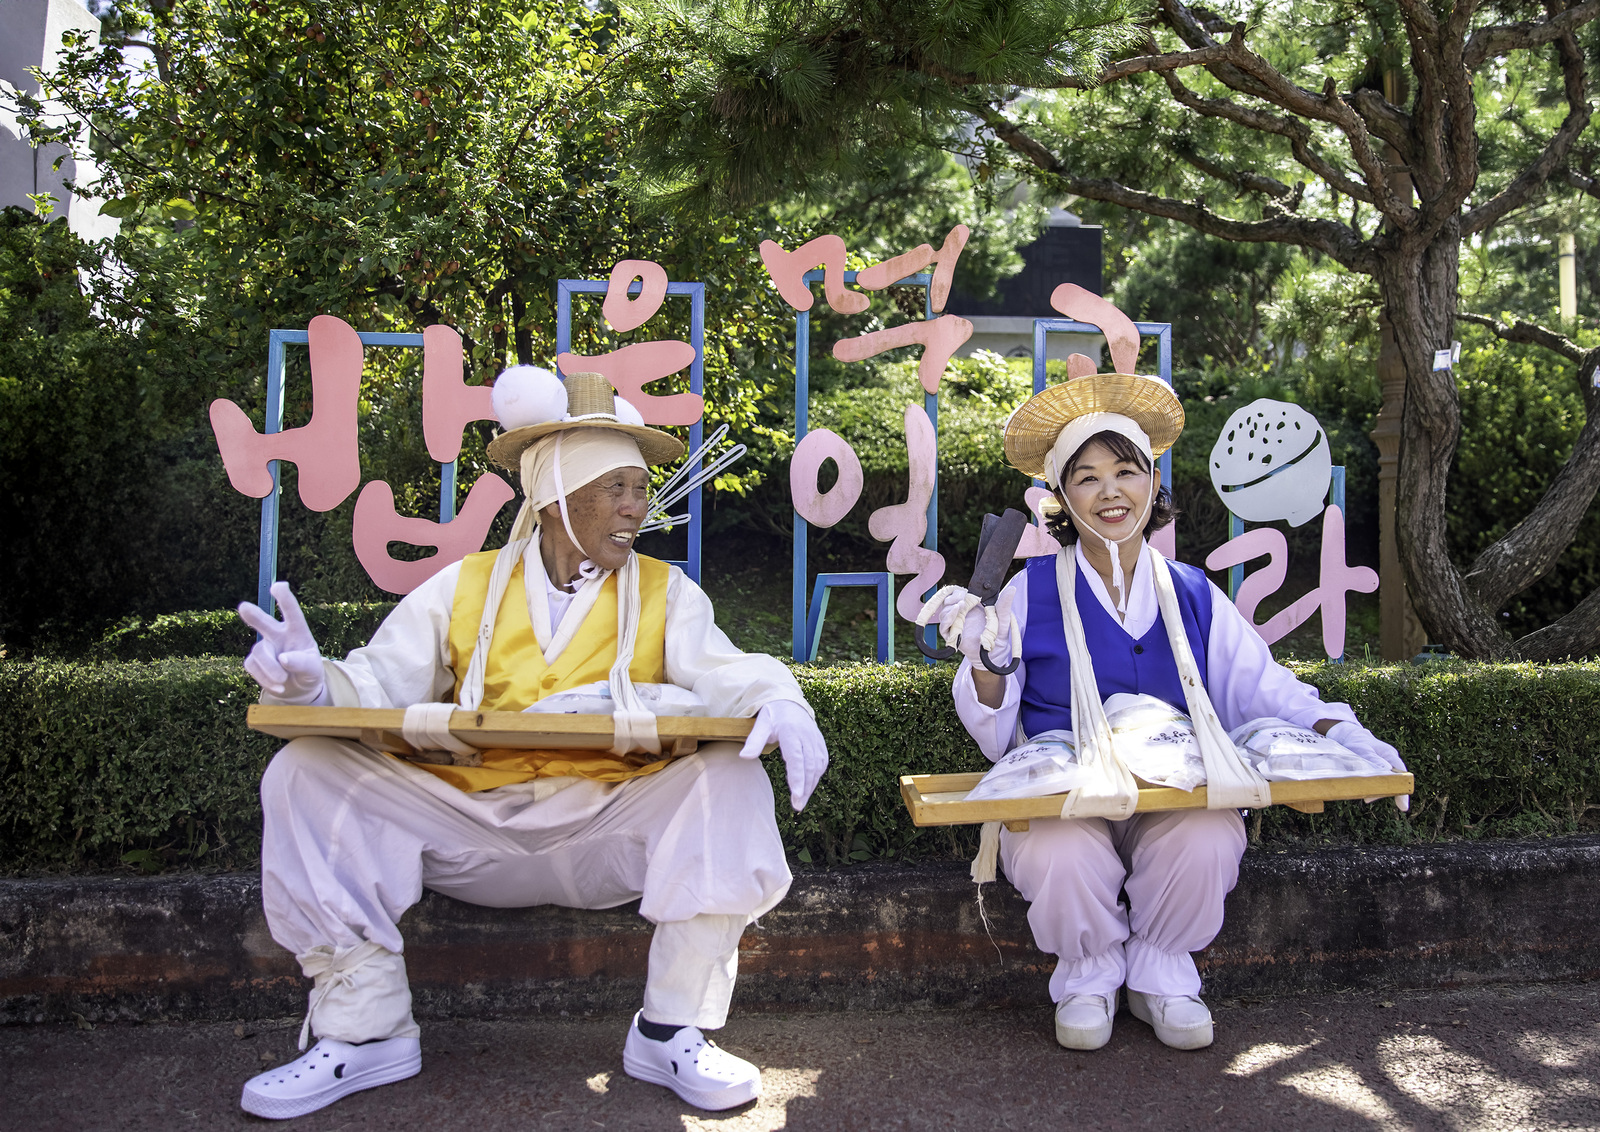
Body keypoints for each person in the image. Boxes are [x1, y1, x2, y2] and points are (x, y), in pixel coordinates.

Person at [234, 369, 829, 1119]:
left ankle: (671, 1029)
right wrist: (308, 685)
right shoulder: (463, 585)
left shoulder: (666, 592)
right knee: (304, 769)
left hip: (605, 831)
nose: (636, 507)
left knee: (730, 778)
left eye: (640, 489)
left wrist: (778, 696)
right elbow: (377, 680)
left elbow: (724, 671)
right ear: (552, 498)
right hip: (469, 830)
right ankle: (365, 1031)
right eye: (615, 488)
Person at [926, 372, 1404, 1053]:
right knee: (1059, 850)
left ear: (1153, 485)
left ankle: (1161, 974)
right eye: (1087, 478)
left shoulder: (1193, 592)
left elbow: (1264, 688)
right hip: (1065, 795)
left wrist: (1345, 734)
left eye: (1126, 472)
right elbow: (993, 733)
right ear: (1061, 497)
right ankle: (1088, 976)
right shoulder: (1027, 592)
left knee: (1208, 833)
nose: (1110, 492)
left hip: (1174, 787)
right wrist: (985, 658)